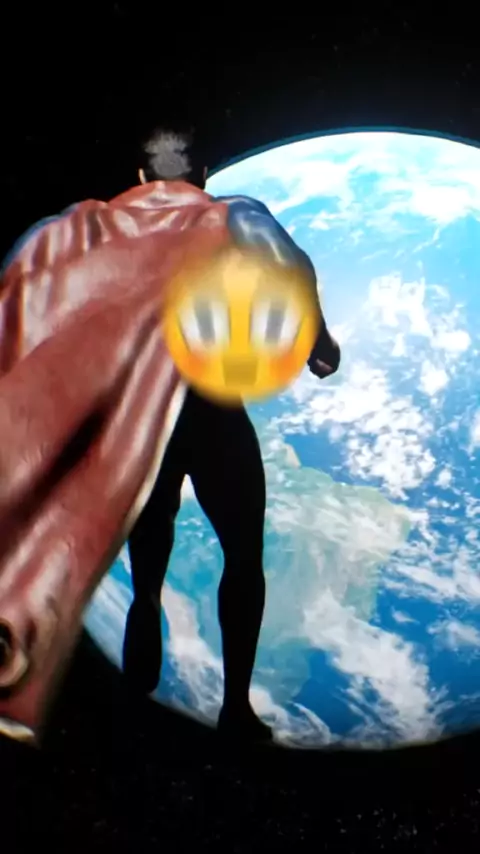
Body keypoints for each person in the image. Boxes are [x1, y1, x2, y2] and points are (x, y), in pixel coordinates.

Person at [122, 127, 341, 743]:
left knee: (152, 536)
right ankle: (236, 708)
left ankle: (143, 619)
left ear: (140, 180)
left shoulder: (111, 228)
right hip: (212, 407)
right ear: (206, 173)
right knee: (243, 556)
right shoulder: (234, 211)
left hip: (148, 415)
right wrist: (318, 341)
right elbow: (291, 264)